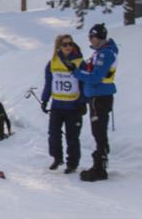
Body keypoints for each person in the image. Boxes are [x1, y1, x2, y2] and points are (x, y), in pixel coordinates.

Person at [74, 23, 118, 181]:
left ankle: (99, 167)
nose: (90, 40)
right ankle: (100, 162)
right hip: (96, 97)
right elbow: (90, 70)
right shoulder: (99, 53)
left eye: (91, 37)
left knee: (99, 132)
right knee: (98, 131)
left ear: (98, 38)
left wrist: (77, 72)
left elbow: (94, 77)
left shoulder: (105, 54)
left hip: (100, 97)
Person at [39, 34, 85, 173]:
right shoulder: (52, 62)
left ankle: (72, 163)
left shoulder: (79, 62)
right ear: (59, 46)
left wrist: (83, 102)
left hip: (73, 106)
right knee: (53, 134)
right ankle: (57, 158)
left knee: (72, 137)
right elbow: (49, 83)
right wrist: (45, 99)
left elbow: (84, 84)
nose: (68, 47)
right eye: (65, 44)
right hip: (57, 105)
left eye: (70, 44)